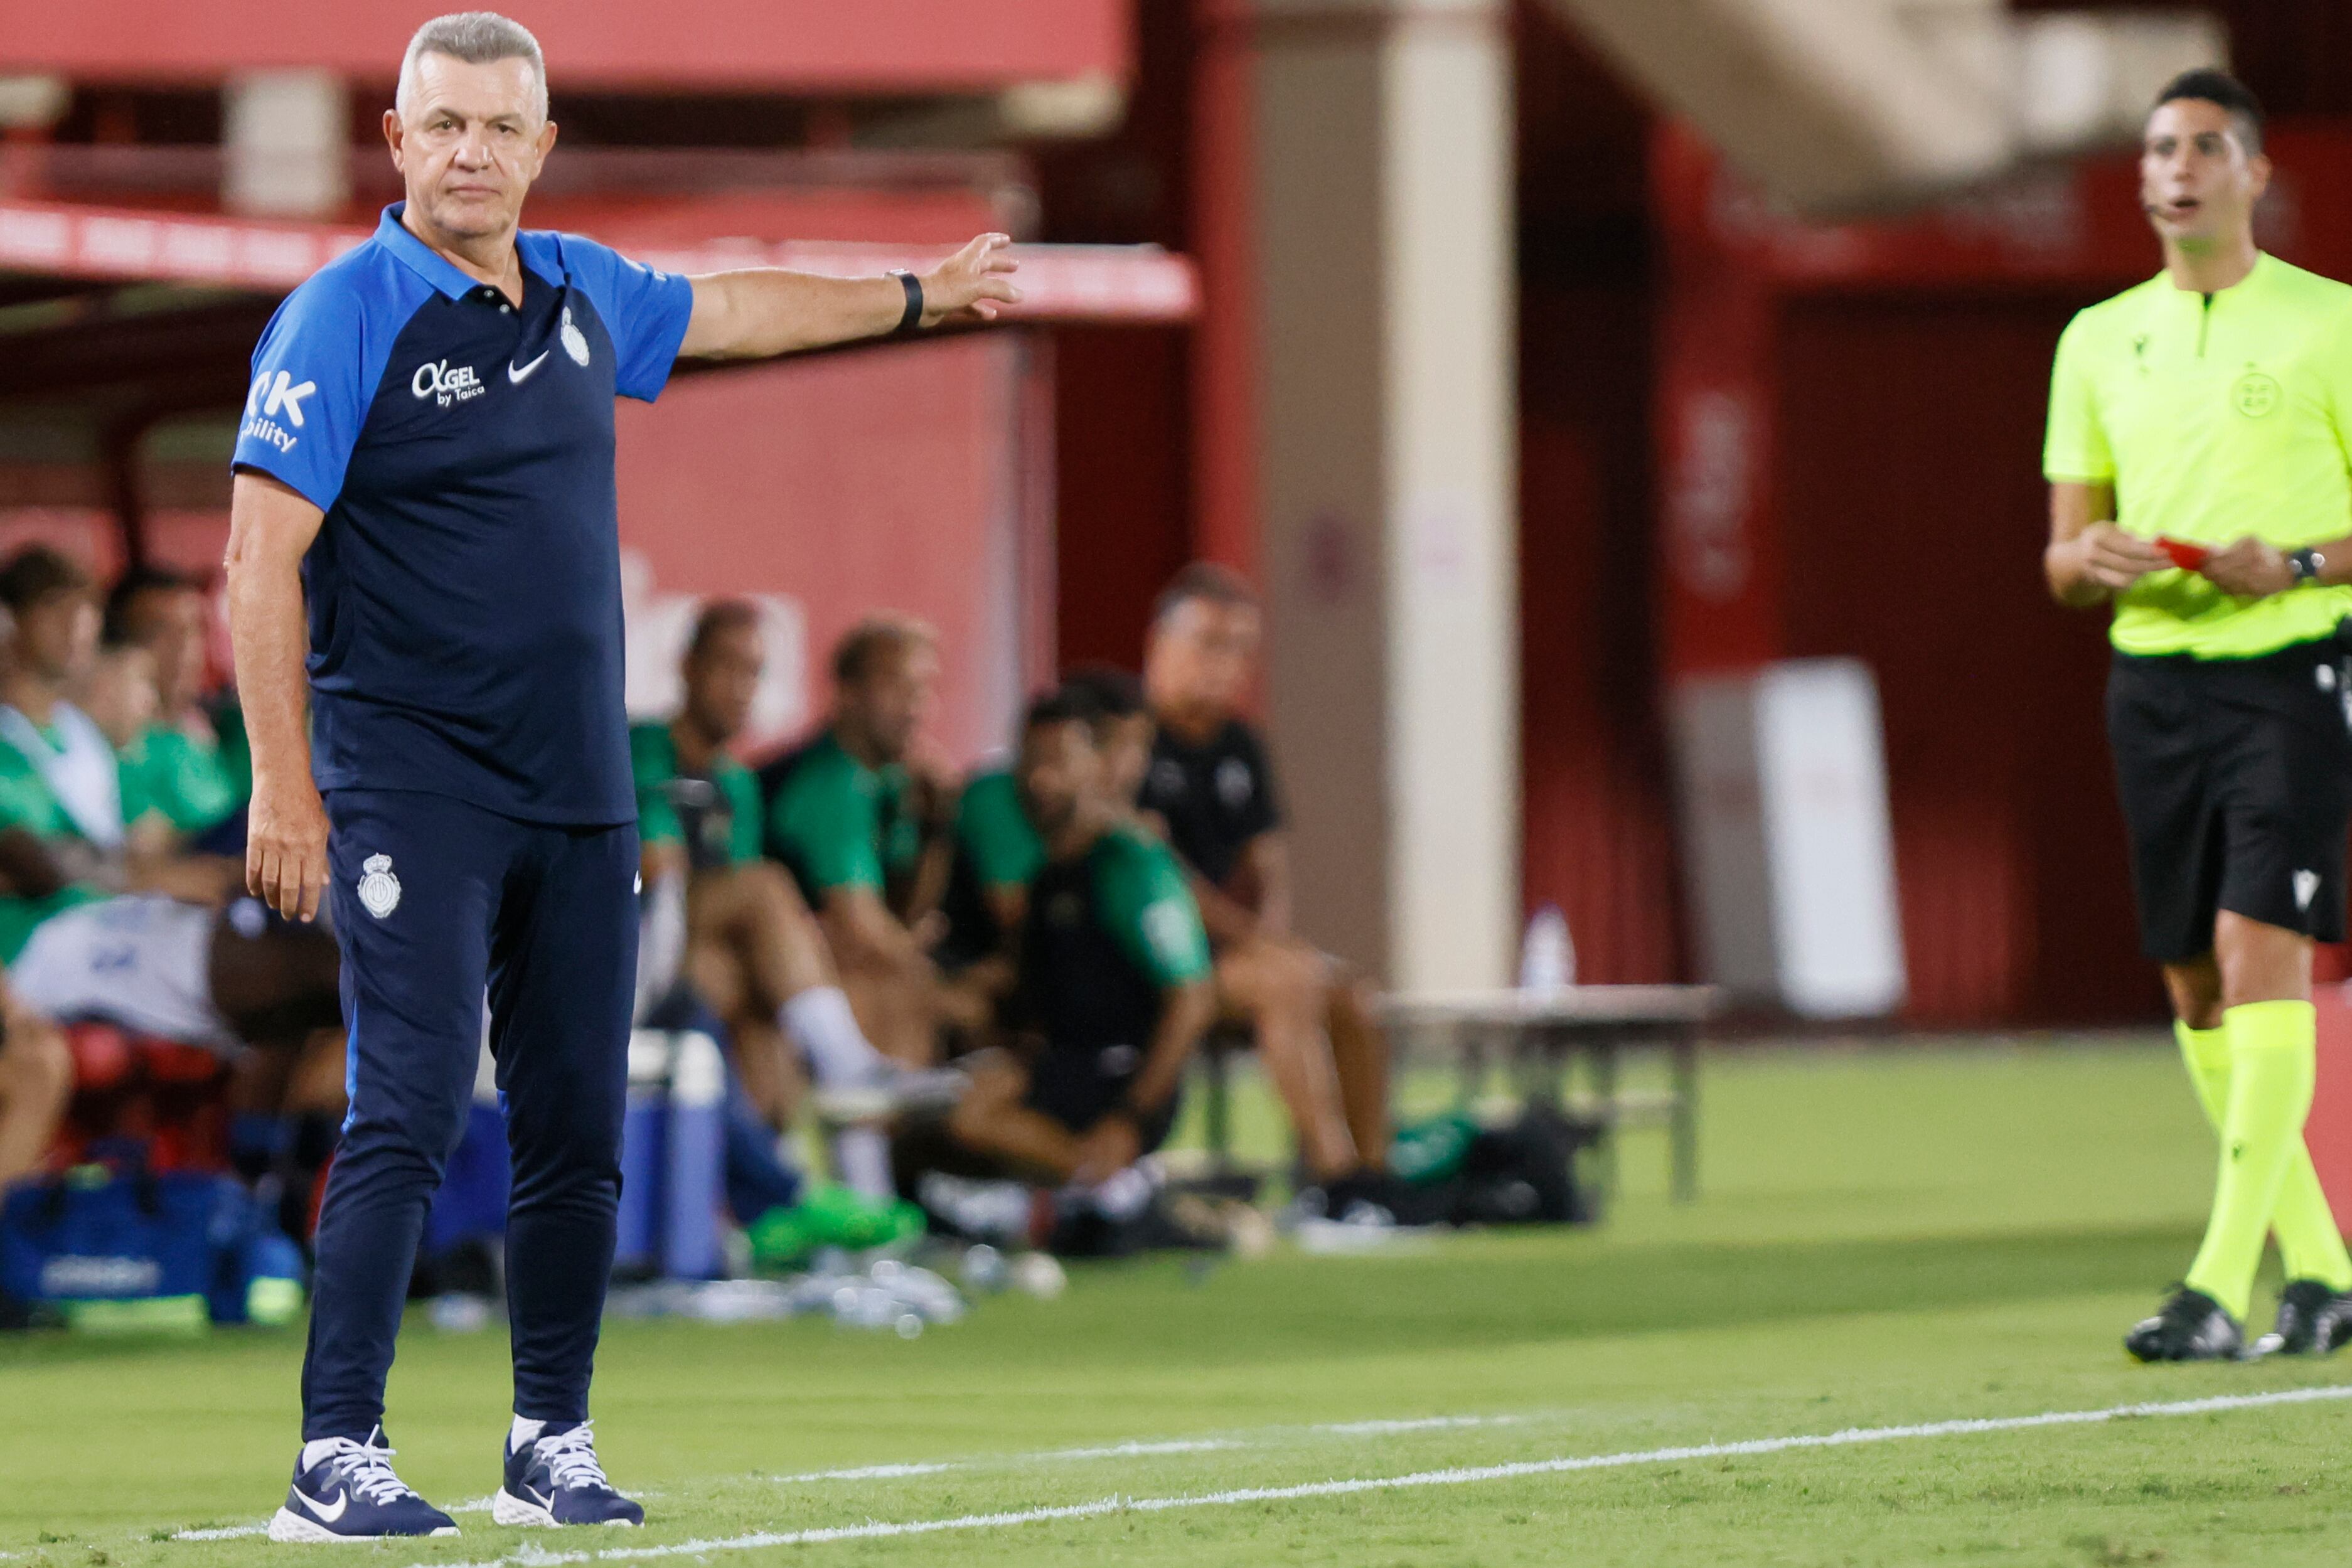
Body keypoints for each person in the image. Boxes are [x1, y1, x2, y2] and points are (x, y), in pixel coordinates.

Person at [223, 12, 1018, 1539]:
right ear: (394, 142)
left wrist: (918, 295)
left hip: (582, 794)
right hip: (414, 789)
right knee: (407, 1108)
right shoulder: (344, 313)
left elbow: (733, 307)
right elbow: (261, 559)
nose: (469, 151)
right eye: (440, 124)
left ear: (542, 146)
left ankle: (550, 1440)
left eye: (497, 127)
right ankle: (335, 1458)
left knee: (581, 1122)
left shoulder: (584, 291)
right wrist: (285, 787)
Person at [2043, 68, 2352, 1363]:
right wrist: (2094, 560)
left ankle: (2216, 1287)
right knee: (2188, 979)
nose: (2177, 168)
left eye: (2204, 147)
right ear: (2141, 182)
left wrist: (2286, 565)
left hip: (2286, 669)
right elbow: (2056, 557)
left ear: (2252, 174)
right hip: (2149, 682)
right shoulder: (2093, 340)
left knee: (2253, 954)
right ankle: (2327, 1270)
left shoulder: (2328, 323)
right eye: (2159, 150)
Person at [631, 599, 956, 1199]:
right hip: (628, 963)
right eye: (726, 666)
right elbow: (659, 877)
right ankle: (845, 1071)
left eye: (754, 672)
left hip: (697, 974)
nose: (740, 688)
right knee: (766, 891)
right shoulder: (642, 748)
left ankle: (826, 1210)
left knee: (764, 1009)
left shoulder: (736, 785)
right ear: (685, 667)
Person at [1136, 565, 1405, 1222]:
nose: (1225, 666)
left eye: (1239, 649)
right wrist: (1261, 946)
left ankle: (1374, 1177)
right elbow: (1163, 879)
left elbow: (1268, 867)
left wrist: (1272, 937)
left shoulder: (1240, 746)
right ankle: (1331, 1178)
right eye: (1209, 644)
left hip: (1233, 953)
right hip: (1154, 957)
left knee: (1352, 998)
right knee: (1287, 982)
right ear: (1160, 645)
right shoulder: (1133, 740)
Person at [946, 689, 1216, 1245]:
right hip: (1069, 1067)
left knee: (974, 1112)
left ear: (1097, 767)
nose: (1040, 781)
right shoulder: (1048, 877)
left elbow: (1192, 1000)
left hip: (1124, 1073)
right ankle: (1085, 1198)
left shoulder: (1129, 864)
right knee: (932, 1122)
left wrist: (1131, 1116)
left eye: (1058, 762)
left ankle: (1118, 1191)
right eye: (1030, 762)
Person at [761, 617, 963, 1066]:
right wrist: (948, 991)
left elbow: (909, 913)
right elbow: (861, 930)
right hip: (780, 984)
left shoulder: (898, 781)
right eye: (895, 686)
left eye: (923, 689)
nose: (914, 706)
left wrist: (937, 828)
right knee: (895, 985)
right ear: (847, 693)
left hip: (842, 962)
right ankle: (864, 1123)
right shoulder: (831, 782)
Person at [104, 566, 246, 848]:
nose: (183, 648)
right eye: (158, 632)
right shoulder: (121, 748)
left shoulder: (218, 726)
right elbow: (150, 853)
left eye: (192, 630)